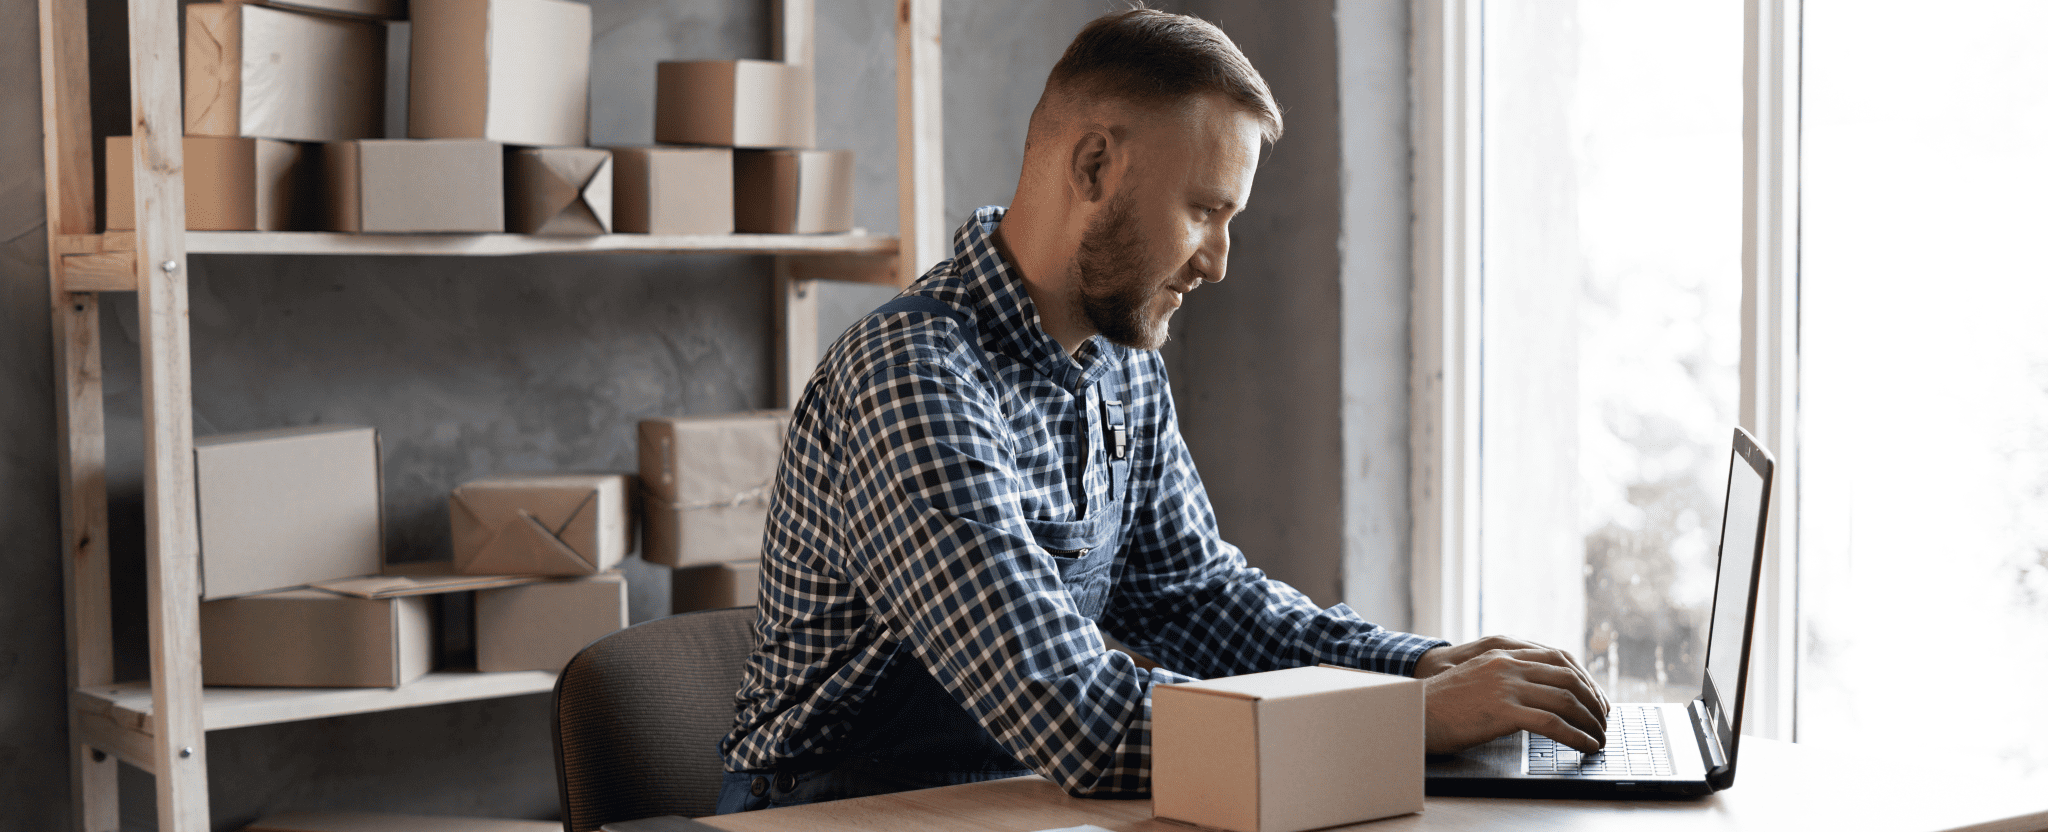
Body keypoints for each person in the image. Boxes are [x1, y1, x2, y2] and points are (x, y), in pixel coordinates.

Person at [715, 8, 1609, 813]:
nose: (1219, 261)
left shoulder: (1120, 361)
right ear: (1095, 165)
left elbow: (1198, 601)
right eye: (1203, 211)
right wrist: (1407, 716)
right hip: (833, 811)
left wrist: (1415, 664)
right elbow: (1076, 717)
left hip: (1010, 802)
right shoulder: (911, 377)